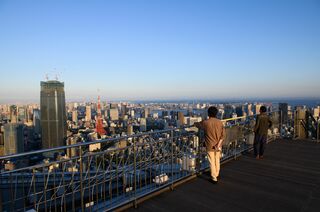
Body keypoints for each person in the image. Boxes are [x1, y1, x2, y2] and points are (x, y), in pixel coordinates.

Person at [195, 106, 225, 184]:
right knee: (217, 160)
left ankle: (214, 177)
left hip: (209, 145)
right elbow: (223, 135)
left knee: (211, 161)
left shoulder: (206, 122)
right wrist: (218, 145)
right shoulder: (220, 122)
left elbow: (198, 125)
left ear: (208, 113)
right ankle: (217, 173)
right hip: (218, 145)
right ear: (216, 113)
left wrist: (195, 123)